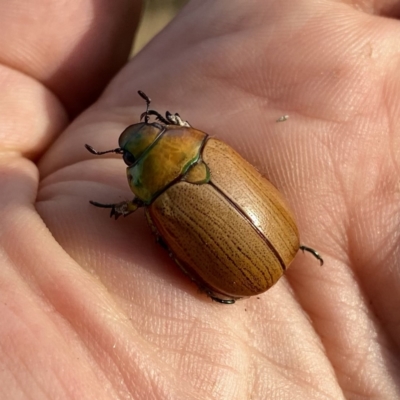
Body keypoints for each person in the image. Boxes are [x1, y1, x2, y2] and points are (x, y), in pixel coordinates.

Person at [1, 1, 399, 398]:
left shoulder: (154, 194)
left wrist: (126, 208)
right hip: (260, 252)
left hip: (256, 256)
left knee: (163, 237)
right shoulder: (205, 148)